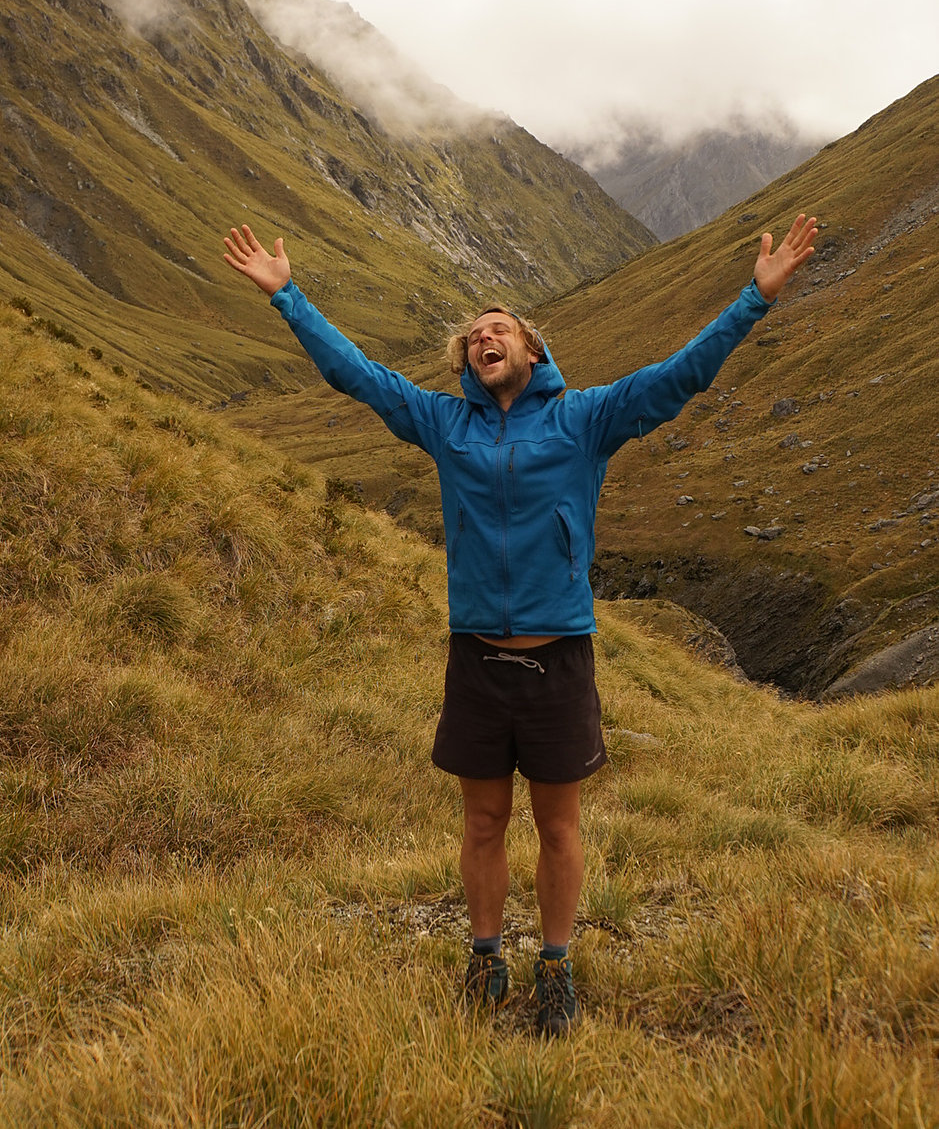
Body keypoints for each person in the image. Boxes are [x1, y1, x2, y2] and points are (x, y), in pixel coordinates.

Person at [223, 213, 817, 1034]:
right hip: (476, 659)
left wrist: (754, 298)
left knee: (558, 824)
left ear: (531, 351)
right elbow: (357, 375)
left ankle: (556, 966)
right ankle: (485, 956)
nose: (481, 337)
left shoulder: (586, 418)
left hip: (558, 659)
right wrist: (289, 297)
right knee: (481, 821)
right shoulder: (445, 423)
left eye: (498, 328)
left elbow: (680, 376)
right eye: (473, 335)